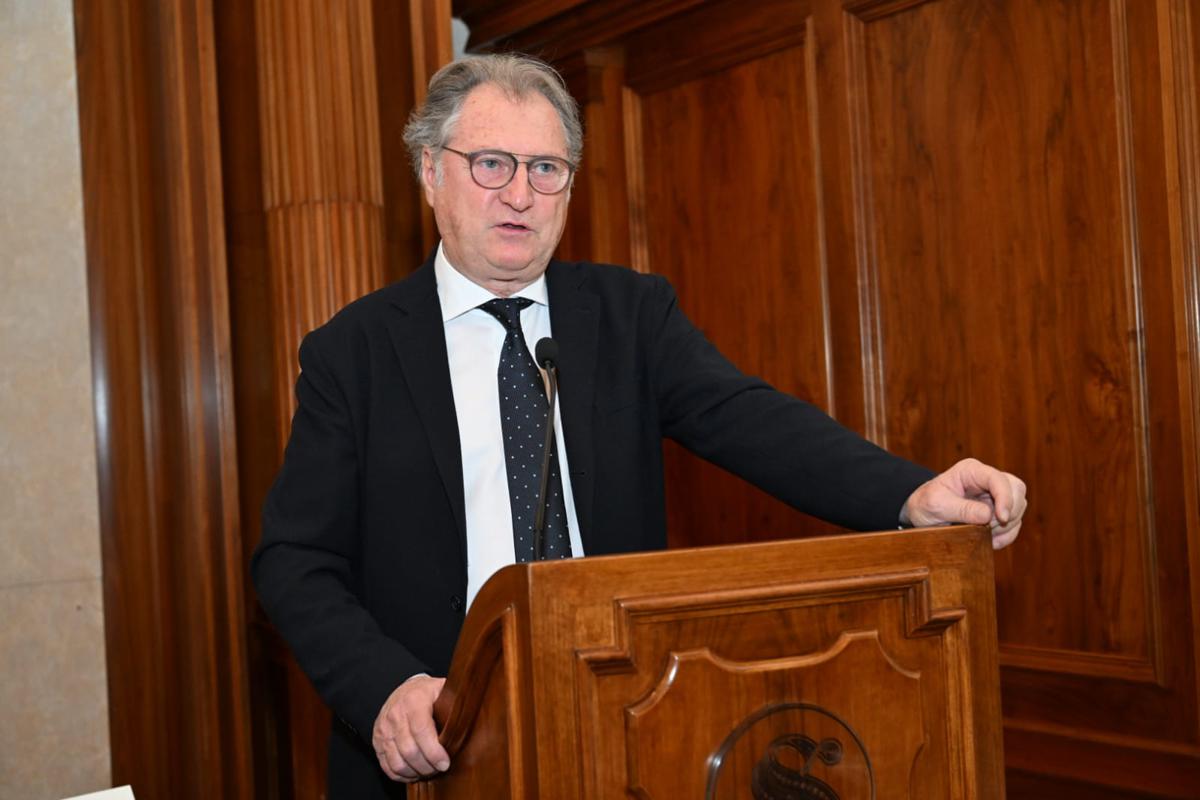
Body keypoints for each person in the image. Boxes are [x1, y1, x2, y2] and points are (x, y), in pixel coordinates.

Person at [251, 53, 1027, 798]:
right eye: (491, 164)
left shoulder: (630, 316)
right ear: (430, 172)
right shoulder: (352, 352)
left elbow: (752, 420)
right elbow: (295, 558)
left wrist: (910, 494)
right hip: (437, 742)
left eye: (546, 169)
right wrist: (386, 688)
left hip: (629, 720)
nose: (520, 194)